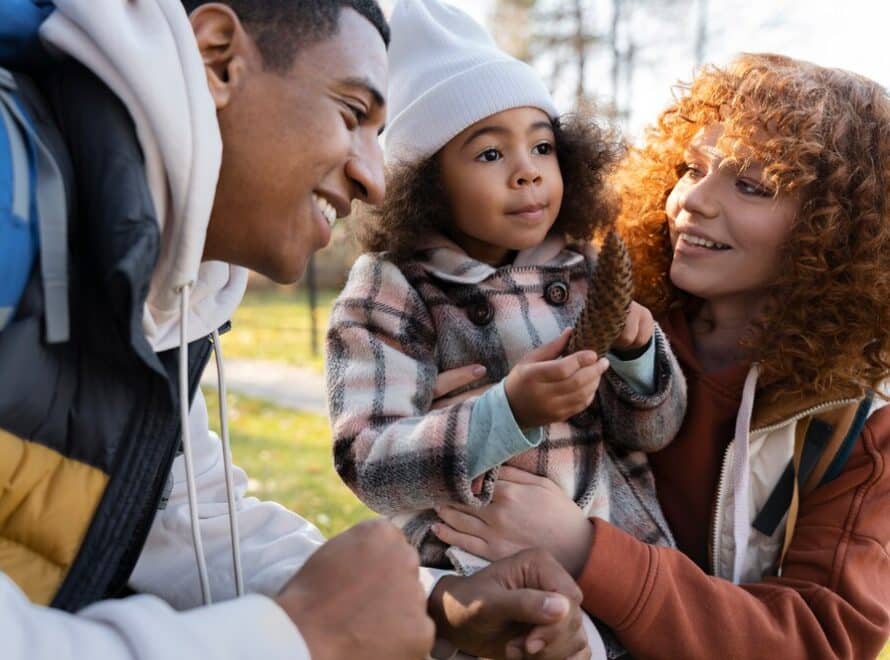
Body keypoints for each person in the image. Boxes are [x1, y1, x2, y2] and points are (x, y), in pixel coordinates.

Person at [0, 1, 592, 658]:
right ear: (218, 58)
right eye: (351, 114)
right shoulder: (10, 187)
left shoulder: (152, 292)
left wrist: (434, 602)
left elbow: (190, 524)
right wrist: (294, 639)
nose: (373, 178)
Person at [431, 53, 890, 658]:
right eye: (691, 167)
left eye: (751, 185)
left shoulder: (858, 427)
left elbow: (816, 638)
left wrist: (584, 551)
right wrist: (453, 425)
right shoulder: (593, 317)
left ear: (836, 231)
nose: (692, 200)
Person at [327, 0, 685, 596]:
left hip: (612, 558)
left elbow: (654, 433)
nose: (527, 172)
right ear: (426, 184)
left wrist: (637, 354)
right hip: (479, 570)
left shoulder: (585, 271)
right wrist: (506, 414)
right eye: (490, 154)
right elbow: (367, 462)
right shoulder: (390, 290)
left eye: (542, 147)